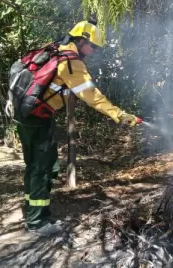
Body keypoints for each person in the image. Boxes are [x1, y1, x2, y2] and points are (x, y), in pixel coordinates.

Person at [15, 20, 139, 236]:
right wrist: (119, 115)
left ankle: (35, 212)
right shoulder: (71, 62)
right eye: (93, 47)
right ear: (81, 40)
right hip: (38, 118)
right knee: (43, 169)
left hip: (25, 115)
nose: (93, 52)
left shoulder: (54, 49)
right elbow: (92, 97)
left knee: (35, 166)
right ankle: (37, 223)